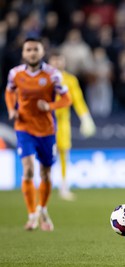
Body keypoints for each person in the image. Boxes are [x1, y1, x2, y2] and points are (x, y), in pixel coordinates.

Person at [4, 37, 72, 231]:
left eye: (36, 49)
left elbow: (66, 99)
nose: (32, 53)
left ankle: (43, 209)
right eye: (28, 50)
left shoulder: (53, 75)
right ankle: (32, 214)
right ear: (23, 53)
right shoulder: (15, 74)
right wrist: (11, 109)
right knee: (28, 170)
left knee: (45, 173)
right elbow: (9, 92)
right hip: (24, 127)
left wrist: (49, 106)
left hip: (47, 130)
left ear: (42, 52)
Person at [48, 50, 96, 201]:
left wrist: (85, 118)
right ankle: (45, 186)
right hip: (45, 122)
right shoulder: (43, 79)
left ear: (64, 62)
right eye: (54, 60)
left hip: (63, 123)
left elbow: (78, 100)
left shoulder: (70, 80)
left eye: (59, 60)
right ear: (49, 63)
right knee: (46, 155)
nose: (57, 63)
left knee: (64, 154)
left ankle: (64, 188)